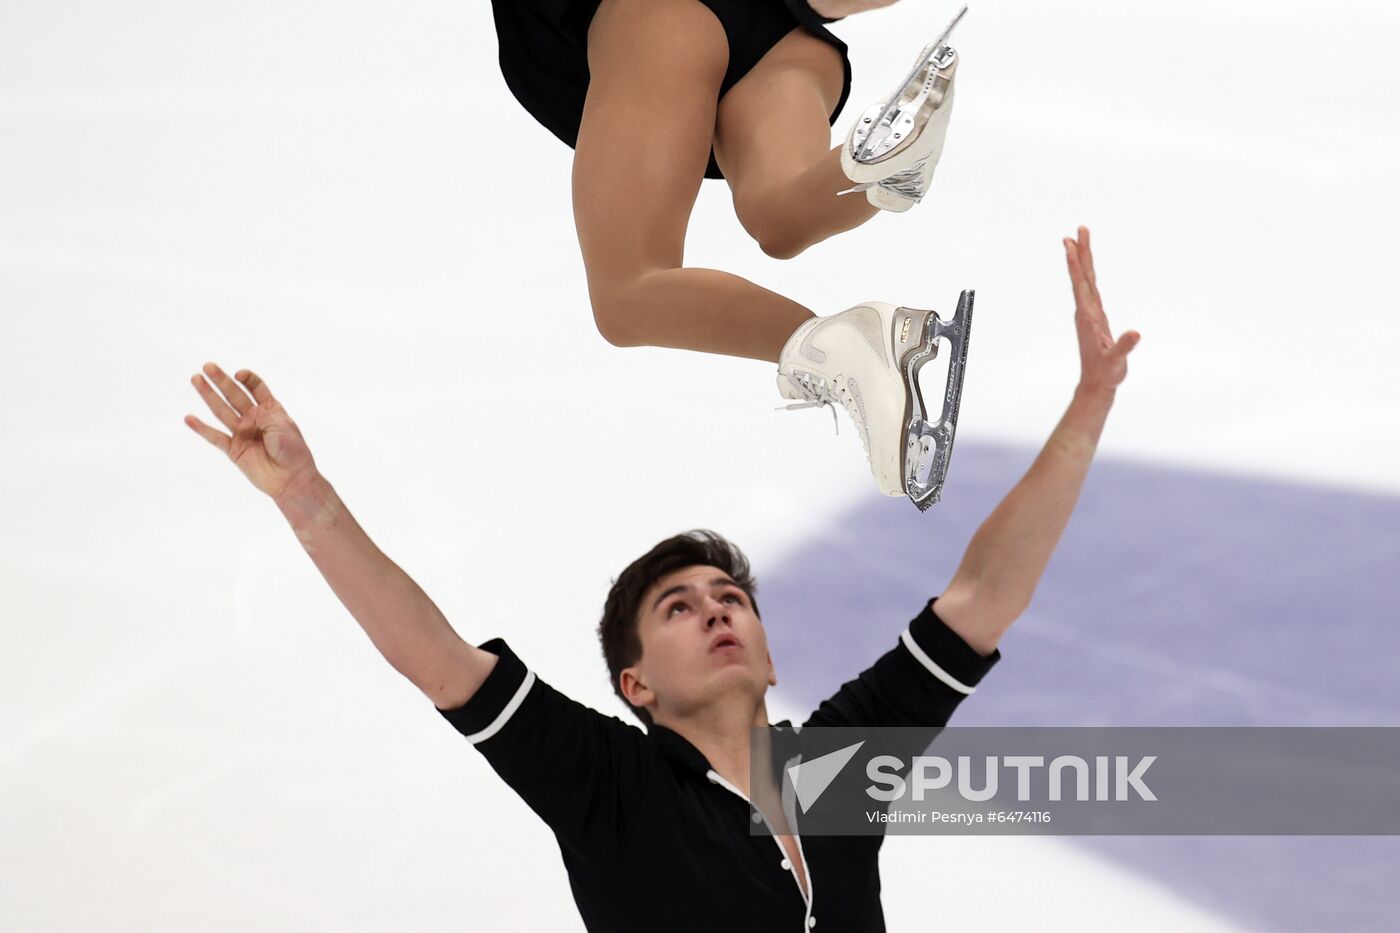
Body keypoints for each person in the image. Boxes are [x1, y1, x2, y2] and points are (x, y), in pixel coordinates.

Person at [183, 229, 1139, 932]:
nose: (717, 610)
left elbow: (980, 599)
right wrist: (305, 497)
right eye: (678, 608)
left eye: (731, 600)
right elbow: (437, 661)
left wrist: (1090, 402)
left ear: (768, 652)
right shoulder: (610, 789)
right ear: (635, 684)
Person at [492, 0, 971, 506]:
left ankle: (847, 342)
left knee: (627, 291)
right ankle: (883, 173)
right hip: (792, 41)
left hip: (665, 19)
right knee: (781, 216)